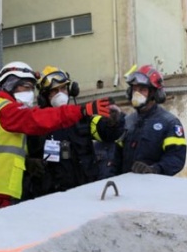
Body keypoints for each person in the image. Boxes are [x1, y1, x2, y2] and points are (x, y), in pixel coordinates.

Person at [0, 61, 112, 216]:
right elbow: (37, 119)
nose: (30, 93)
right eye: (26, 87)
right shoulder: (7, 110)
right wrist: (82, 110)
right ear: (10, 85)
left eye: (32, 89)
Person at [23, 66, 124, 199]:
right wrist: (27, 163)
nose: (60, 94)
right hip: (50, 198)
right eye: (54, 91)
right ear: (44, 97)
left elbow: (107, 133)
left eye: (63, 88)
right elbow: (17, 157)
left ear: (71, 91)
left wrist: (114, 121)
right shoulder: (35, 124)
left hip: (85, 194)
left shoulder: (82, 118)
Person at [114, 64, 187, 176]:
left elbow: (176, 158)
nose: (136, 93)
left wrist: (154, 169)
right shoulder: (127, 121)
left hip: (155, 189)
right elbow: (115, 158)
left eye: (142, 89)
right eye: (134, 89)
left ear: (154, 93)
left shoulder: (169, 123)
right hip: (127, 188)